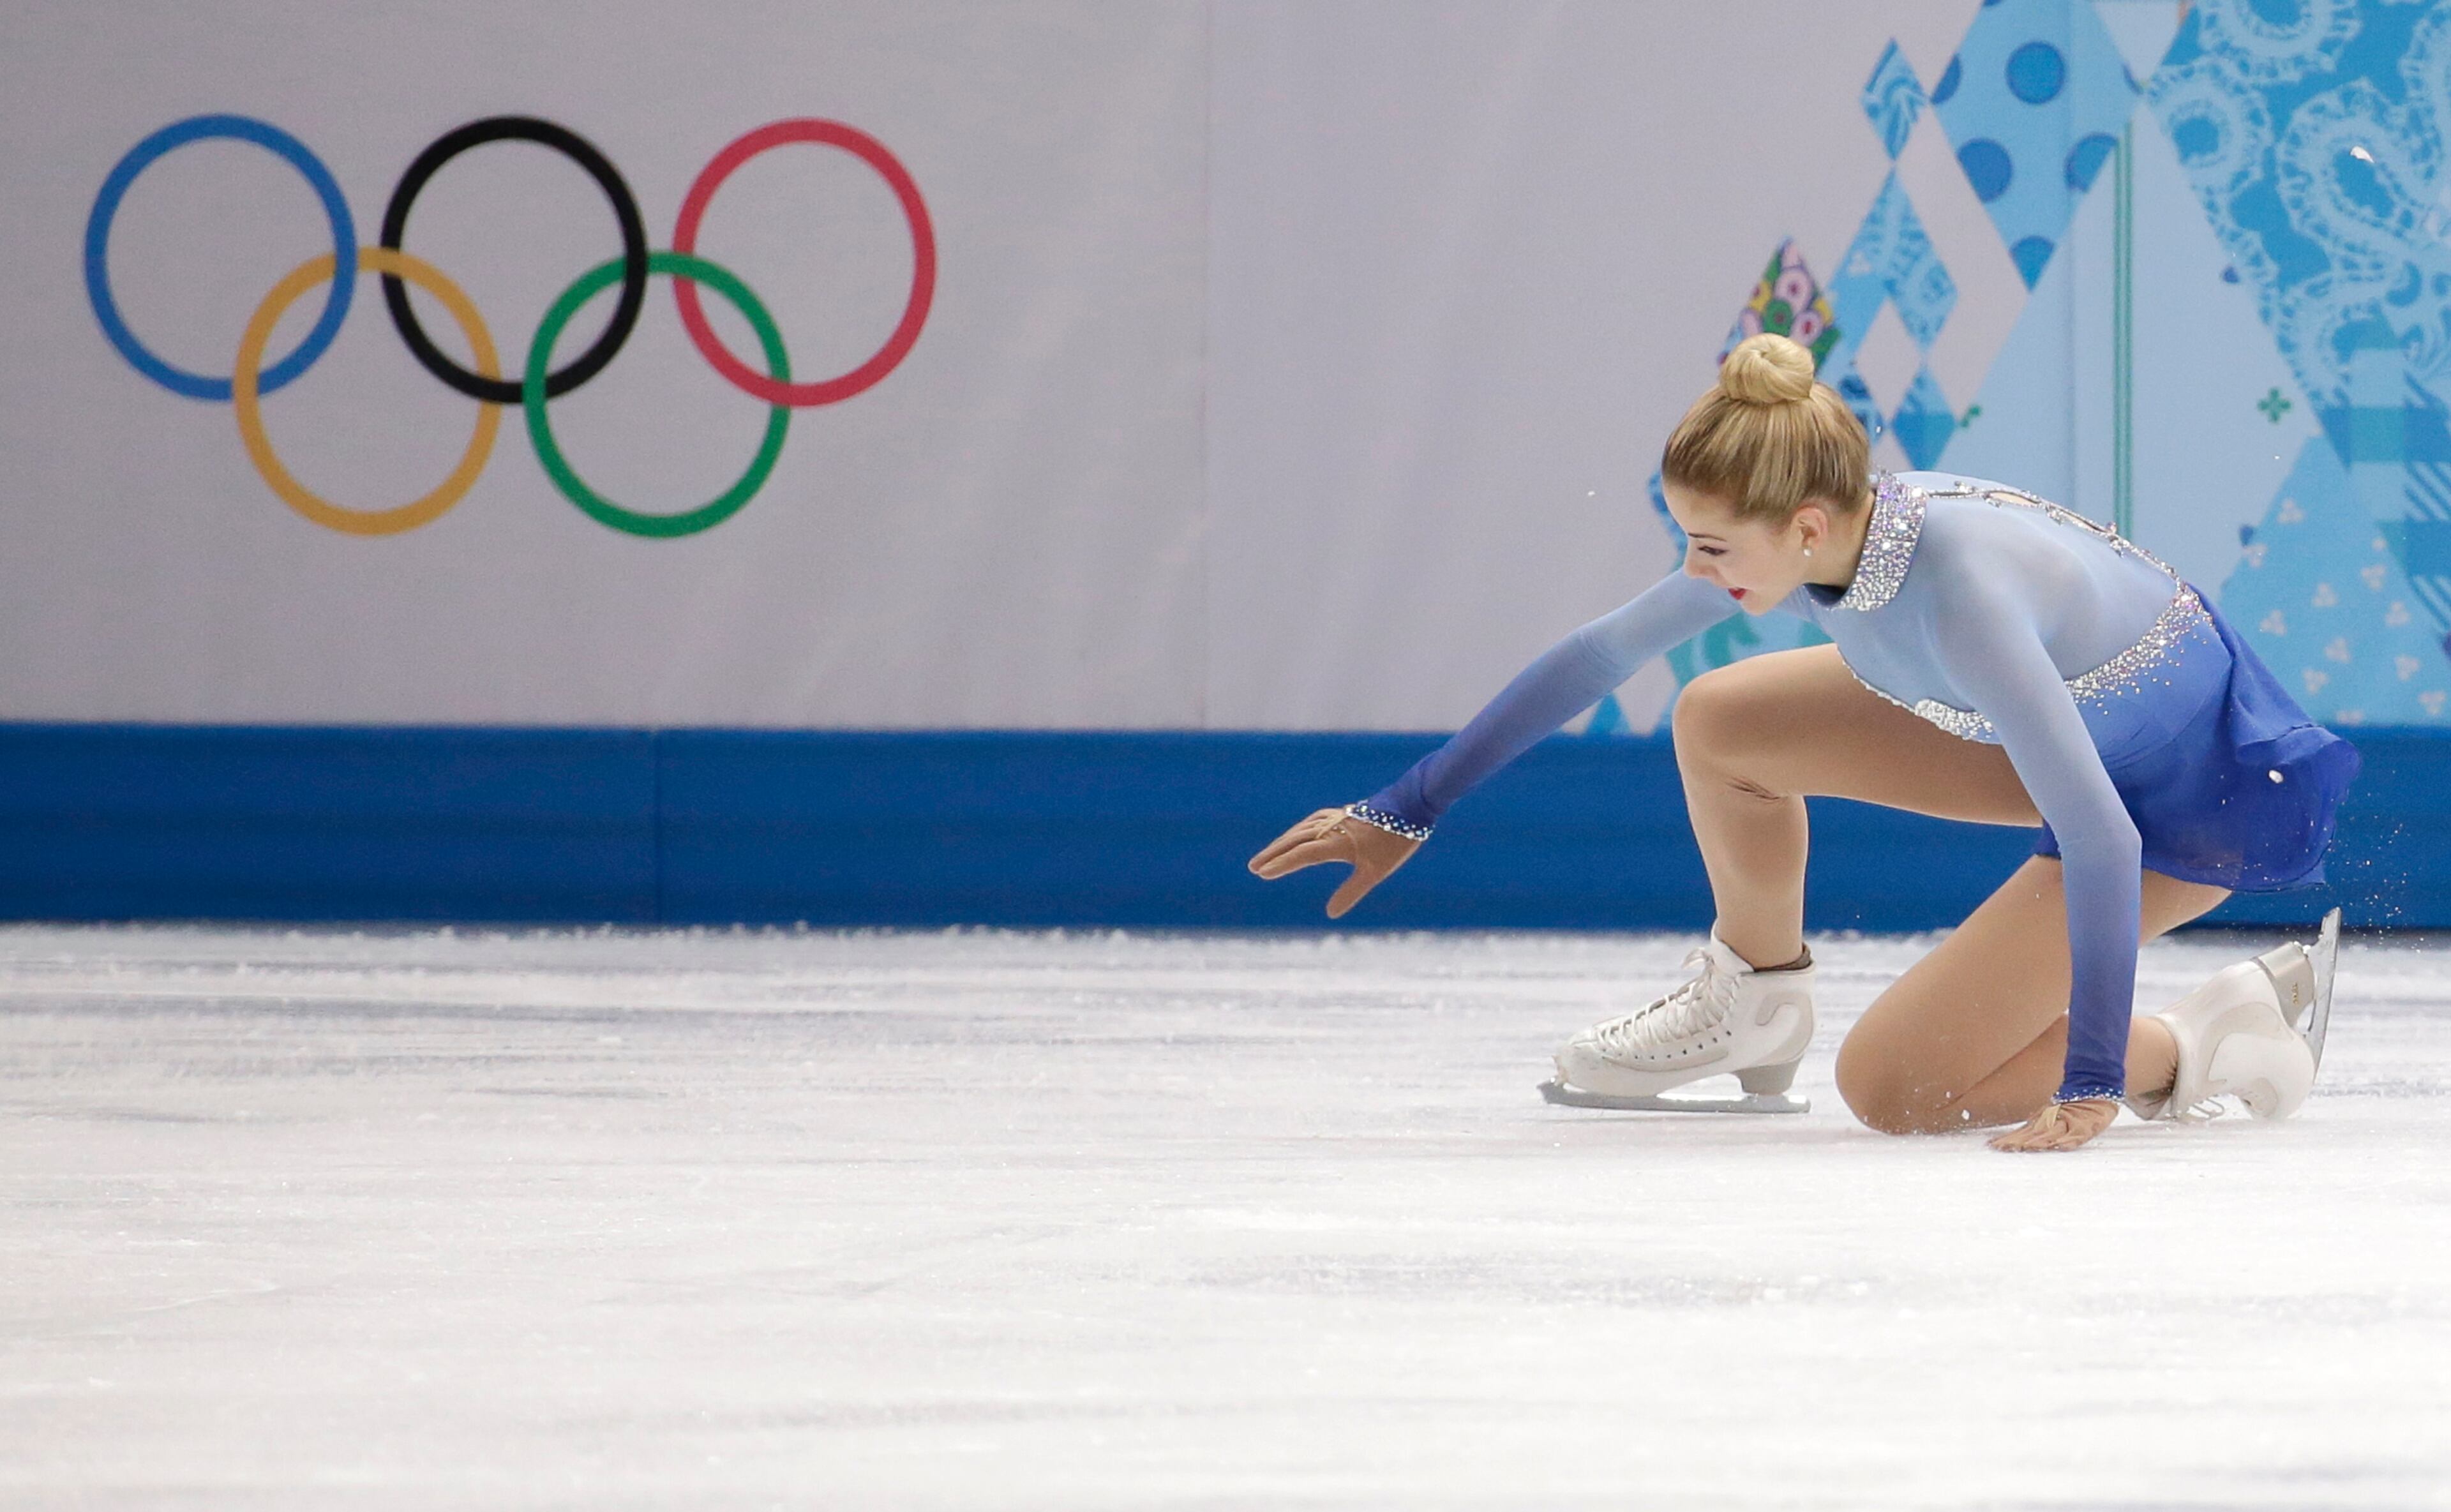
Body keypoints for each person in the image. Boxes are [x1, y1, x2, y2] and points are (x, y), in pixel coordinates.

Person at [1248, 333, 2358, 1152]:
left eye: (1711, 544)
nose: (1698, 569)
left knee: (1897, 1090)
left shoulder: (1964, 595)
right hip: (2039, 733)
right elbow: (1603, 653)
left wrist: (2096, 1076)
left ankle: (2205, 1039)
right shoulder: (1819, 540)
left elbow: (2104, 840)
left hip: (2179, 796)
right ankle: (1756, 995)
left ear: (1806, 528)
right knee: (1721, 719)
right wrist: (1410, 803)